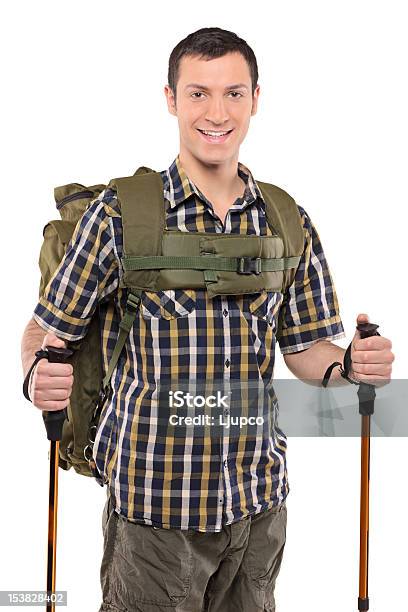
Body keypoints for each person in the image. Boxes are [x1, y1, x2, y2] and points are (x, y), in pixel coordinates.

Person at [20, 27, 394, 612]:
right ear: (171, 99)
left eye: (233, 94)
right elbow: (48, 331)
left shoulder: (286, 217)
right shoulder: (121, 213)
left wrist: (349, 363)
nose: (216, 113)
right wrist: (35, 373)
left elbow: (307, 348)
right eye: (198, 93)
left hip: (257, 509)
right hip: (155, 512)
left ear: (254, 99)